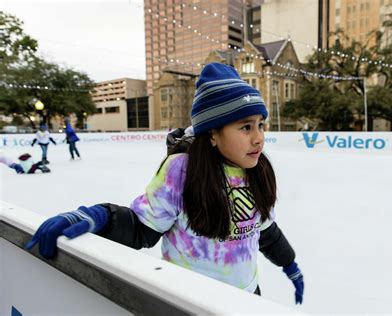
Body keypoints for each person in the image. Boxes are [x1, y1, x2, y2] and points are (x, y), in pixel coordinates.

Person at [26, 63, 304, 304]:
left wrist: (289, 263)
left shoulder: (256, 171)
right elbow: (142, 228)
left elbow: (265, 230)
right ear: (212, 134)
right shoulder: (183, 171)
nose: (258, 138)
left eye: (261, 125)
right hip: (188, 301)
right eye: (246, 127)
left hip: (245, 298)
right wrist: (99, 216)